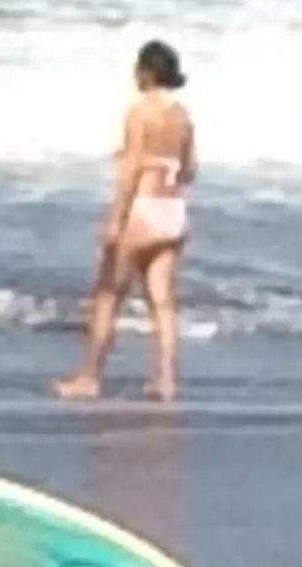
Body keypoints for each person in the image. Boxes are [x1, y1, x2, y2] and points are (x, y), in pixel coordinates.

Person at [55, 41, 198, 403]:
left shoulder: (140, 112)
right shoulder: (182, 115)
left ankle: (89, 377)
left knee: (107, 296)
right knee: (162, 301)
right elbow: (191, 168)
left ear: (147, 71)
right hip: (173, 210)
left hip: (143, 209)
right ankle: (166, 380)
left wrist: (115, 218)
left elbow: (131, 169)